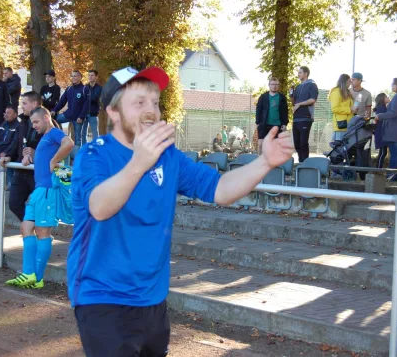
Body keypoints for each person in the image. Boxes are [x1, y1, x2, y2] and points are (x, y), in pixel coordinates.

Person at [67, 66, 294, 356]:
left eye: (155, 102)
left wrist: (265, 163)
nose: (151, 111)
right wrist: (140, 162)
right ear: (113, 113)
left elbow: (220, 189)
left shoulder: (169, 157)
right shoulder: (94, 154)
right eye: (139, 103)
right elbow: (99, 207)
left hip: (152, 300)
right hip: (101, 297)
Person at [5, 107, 73, 289]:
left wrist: (54, 161)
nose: (33, 126)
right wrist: (31, 157)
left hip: (47, 191)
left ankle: (36, 277)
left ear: (46, 117)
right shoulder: (47, 136)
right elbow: (44, 159)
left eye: (36, 122)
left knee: (43, 233)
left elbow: (69, 143)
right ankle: (29, 274)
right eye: (32, 123)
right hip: (39, 190)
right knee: (26, 226)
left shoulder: (54, 133)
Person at [2, 91, 59, 221]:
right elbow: (17, 142)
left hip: (38, 173)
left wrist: (35, 154)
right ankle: (31, 228)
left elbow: (59, 146)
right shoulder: (22, 122)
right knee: (14, 204)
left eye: (24, 103)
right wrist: (8, 156)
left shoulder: (50, 124)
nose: (22, 106)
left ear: (34, 104)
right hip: (21, 170)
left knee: (40, 206)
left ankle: (38, 231)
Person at [52, 70, 87, 146]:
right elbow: (62, 102)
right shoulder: (69, 89)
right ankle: (60, 141)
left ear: (80, 77)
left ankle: (77, 156)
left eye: (75, 76)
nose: (73, 78)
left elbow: (87, 105)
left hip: (78, 118)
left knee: (78, 138)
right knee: (52, 121)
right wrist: (54, 110)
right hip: (68, 115)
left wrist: (81, 117)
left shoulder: (84, 89)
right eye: (72, 76)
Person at [290, 66, 318, 162]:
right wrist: (291, 93)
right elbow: (293, 102)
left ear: (306, 74)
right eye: (298, 72)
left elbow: (313, 99)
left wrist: (300, 104)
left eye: (300, 72)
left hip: (306, 117)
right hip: (296, 118)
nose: (298, 74)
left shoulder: (312, 85)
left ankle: (305, 163)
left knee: (303, 143)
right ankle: (301, 161)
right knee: (297, 143)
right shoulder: (298, 87)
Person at [255, 77, 289, 154]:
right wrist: (258, 122)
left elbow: (285, 111)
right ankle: (260, 162)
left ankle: (273, 164)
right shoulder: (263, 97)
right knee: (260, 144)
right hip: (264, 124)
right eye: (272, 84)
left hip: (277, 125)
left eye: (276, 84)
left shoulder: (282, 97)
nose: (274, 86)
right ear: (269, 85)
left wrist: (284, 123)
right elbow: (258, 109)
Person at [328, 74, 354, 142]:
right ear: (344, 81)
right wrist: (349, 109)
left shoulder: (347, 92)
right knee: (340, 148)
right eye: (349, 81)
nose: (350, 83)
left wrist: (354, 110)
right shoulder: (336, 92)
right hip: (341, 125)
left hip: (348, 125)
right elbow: (335, 108)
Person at [82, 69, 103, 142]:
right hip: (83, 114)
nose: (90, 77)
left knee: (95, 133)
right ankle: (84, 150)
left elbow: (95, 98)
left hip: (93, 113)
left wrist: (87, 97)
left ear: (96, 77)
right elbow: (82, 99)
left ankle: (96, 150)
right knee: (83, 133)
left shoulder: (99, 88)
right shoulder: (85, 87)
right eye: (89, 75)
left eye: (92, 75)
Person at [373, 93, 390, 168]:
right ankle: (378, 168)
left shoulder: (382, 107)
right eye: (386, 97)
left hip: (381, 132)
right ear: (382, 99)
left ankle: (378, 168)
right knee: (383, 152)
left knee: (382, 152)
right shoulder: (381, 108)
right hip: (381, 132)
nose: (388, 98)